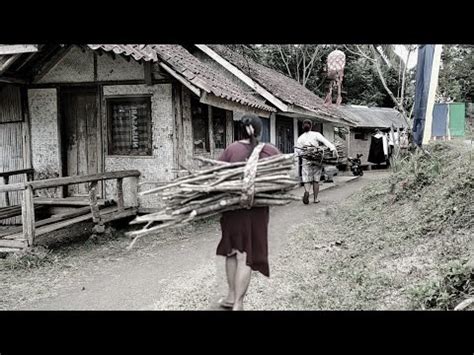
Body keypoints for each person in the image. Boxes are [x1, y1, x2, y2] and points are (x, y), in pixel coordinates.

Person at [216, 114, 280, 311]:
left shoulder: (231, 150)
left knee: (232, 252)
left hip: (233, 210)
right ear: (260, 130)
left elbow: (217, 178)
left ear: (240, 130)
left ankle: (230, 296)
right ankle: (238, 303)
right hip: (257, 211)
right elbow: (281, 179)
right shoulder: (270, 151)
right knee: (246, 254)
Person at [295, 119, 338, 204]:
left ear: (303, 127)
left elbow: (298, 151)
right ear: (311, 126)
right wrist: (333, 148)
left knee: (307, 179)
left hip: (306, 161)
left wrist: (304, 154)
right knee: (316, 180)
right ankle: (315, 199)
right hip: (316, 160)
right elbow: (326, 142)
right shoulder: (316, 134)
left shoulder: (300, 138)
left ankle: (307, 192)